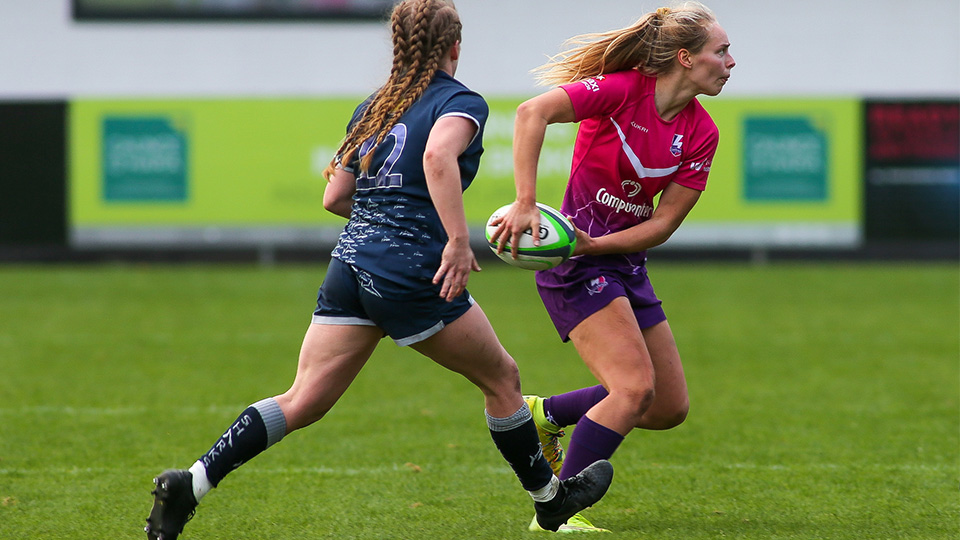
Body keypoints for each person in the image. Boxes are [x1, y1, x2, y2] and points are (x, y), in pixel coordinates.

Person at [143, 1, 614, 539]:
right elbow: (438, 158)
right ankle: (550, 501)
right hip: (410, 269)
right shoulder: (460, 101)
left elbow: (335, 196)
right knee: (502, 379)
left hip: (351, 263)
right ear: (455, 46)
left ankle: (193, 482)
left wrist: (384, 219)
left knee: (303, 399)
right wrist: (456, 242)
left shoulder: (375, 106)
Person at [489, 2, 735, 533]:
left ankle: (546, 414)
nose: (731, 61)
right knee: (631, 390)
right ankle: (555, 514)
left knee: (667, 405)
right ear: (686, 58)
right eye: (722, 50)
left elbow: (664, 223)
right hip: (573, 270)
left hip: (613, 261)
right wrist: (526, 202)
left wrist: (594, 245)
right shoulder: (622, 89)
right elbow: (533, 113)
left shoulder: (702, 133)